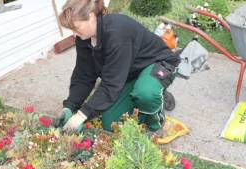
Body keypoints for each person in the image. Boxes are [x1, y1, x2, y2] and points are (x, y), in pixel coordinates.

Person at [57, 0, 180, 132]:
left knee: (145, 93)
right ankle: (146, 93)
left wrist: (82, 115)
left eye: (76, 27)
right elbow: (84, 75)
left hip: (157, 63)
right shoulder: (84, 38)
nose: (74, 34)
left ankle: (155, 118)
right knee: (110, 124)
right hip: (128, 72)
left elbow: (111, 83)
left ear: (91, 16)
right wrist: (70, 106)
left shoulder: (116, 32)